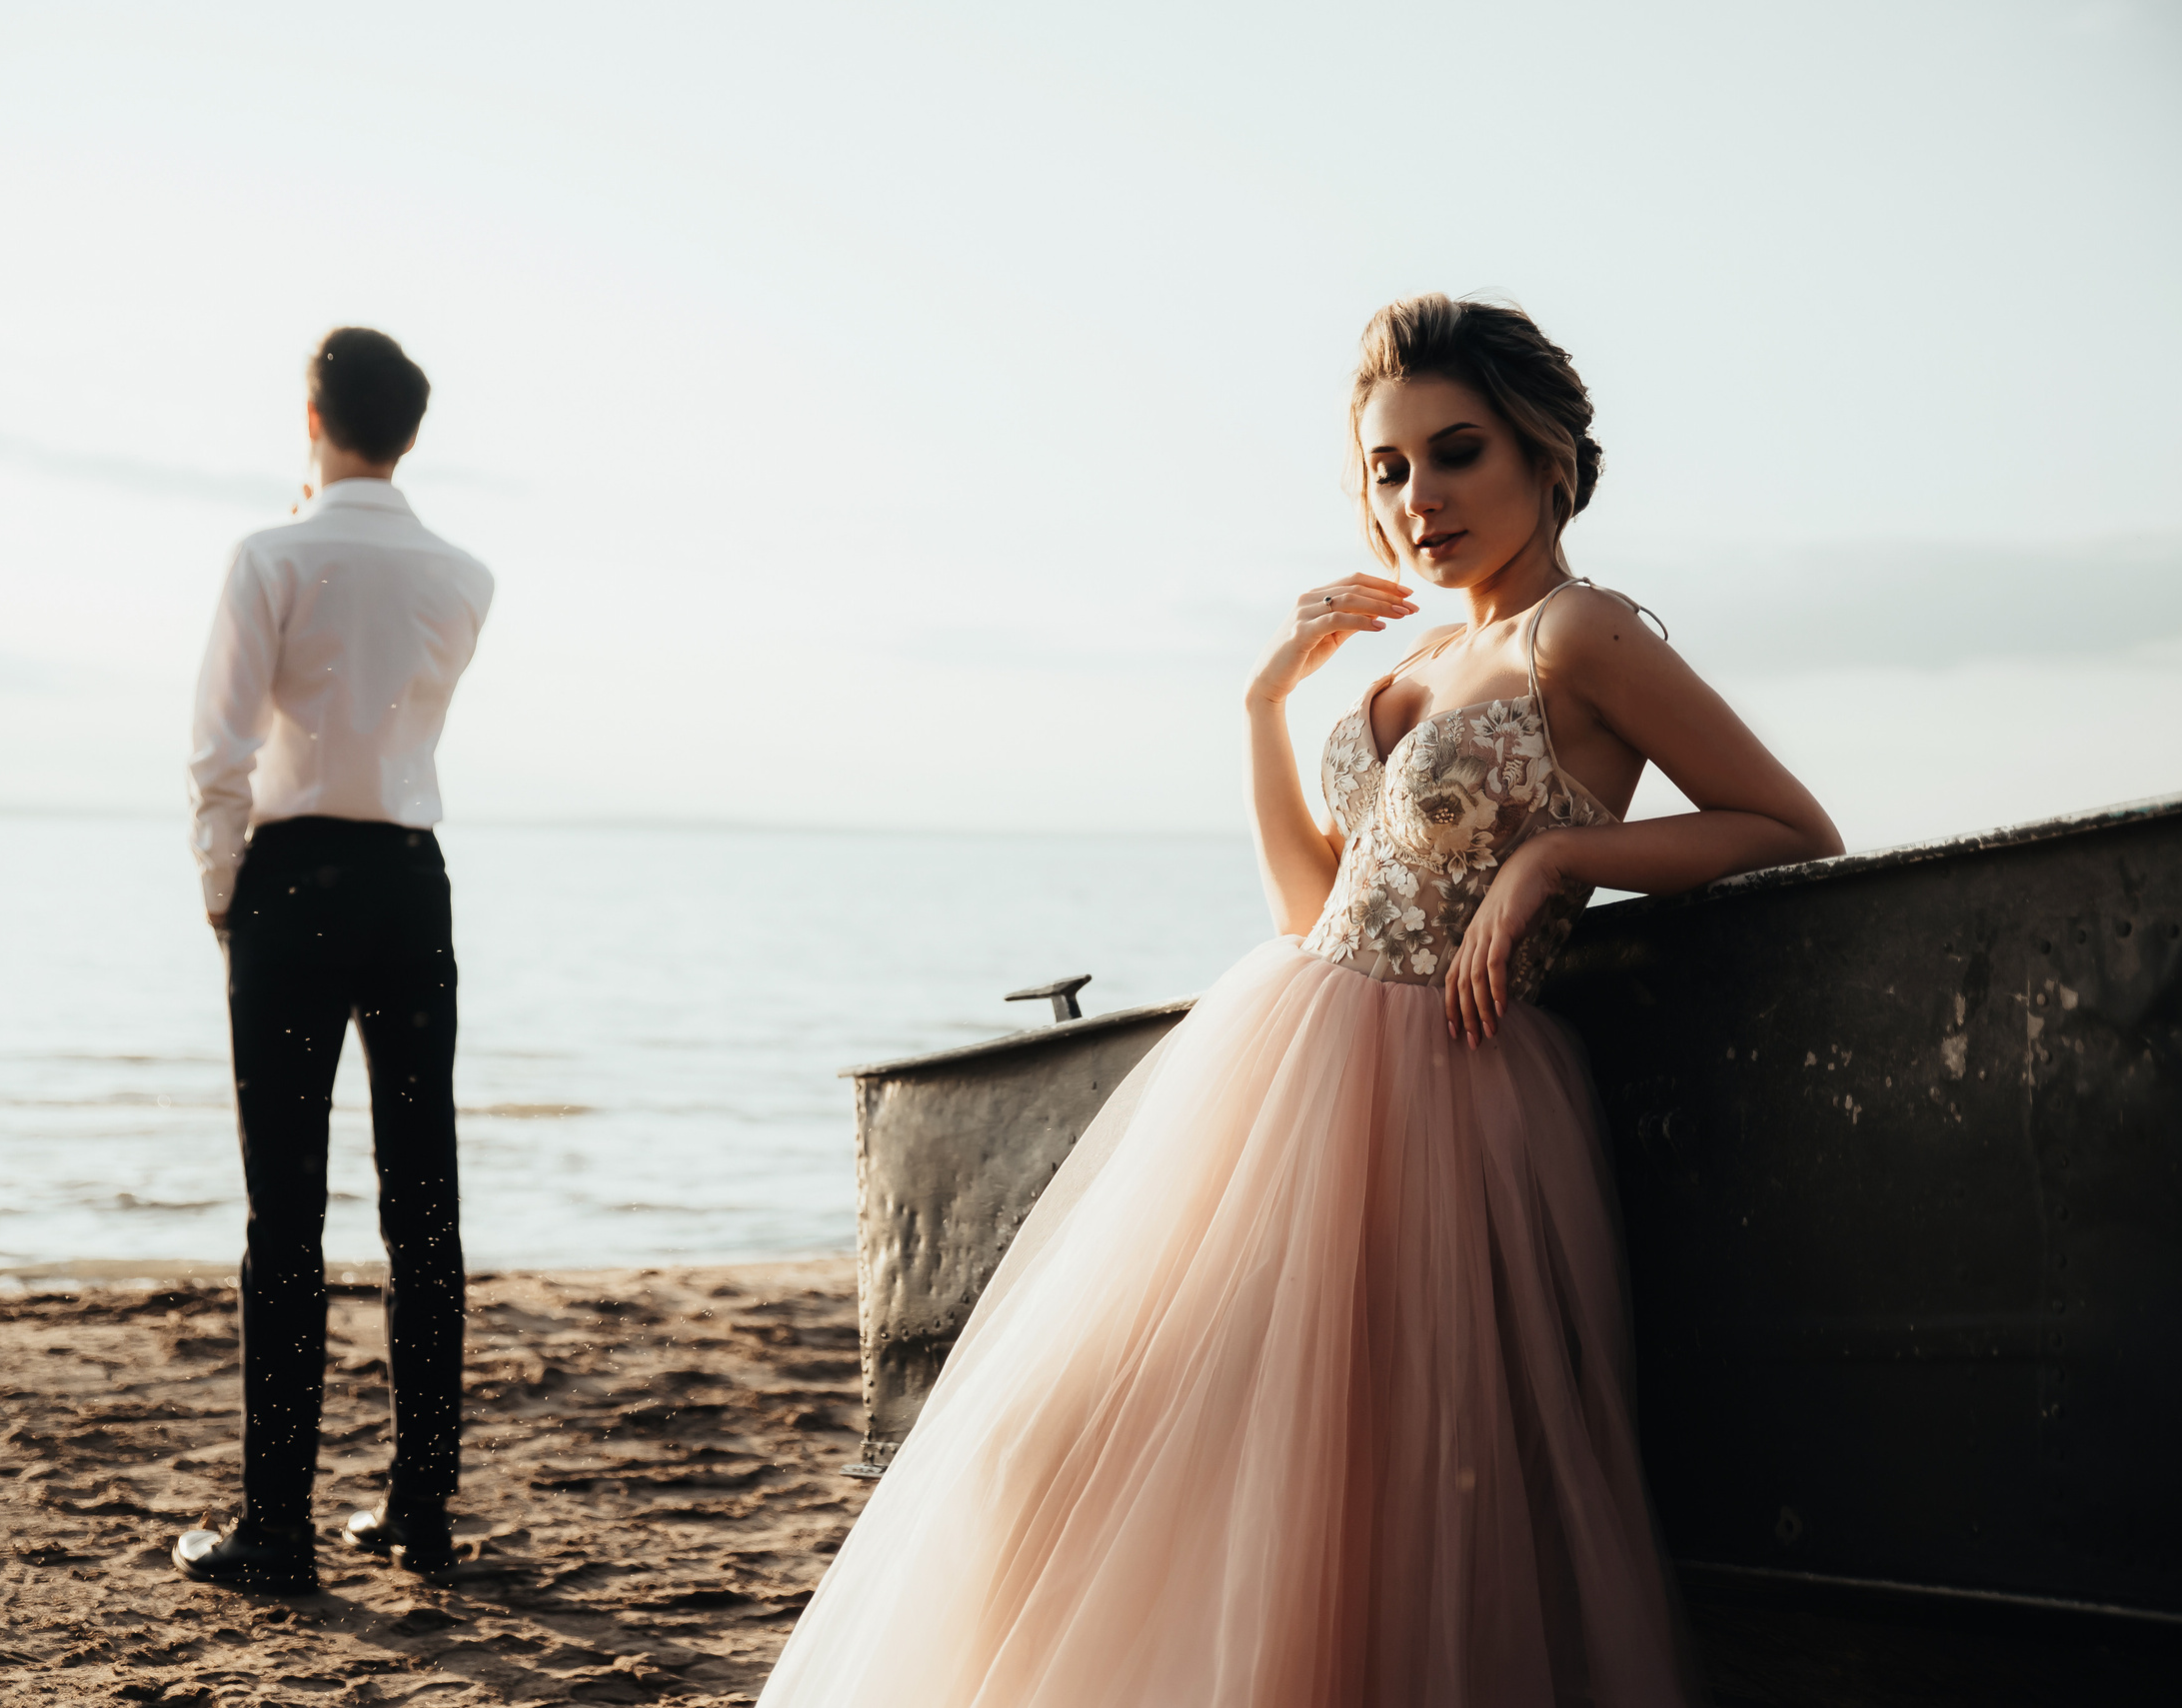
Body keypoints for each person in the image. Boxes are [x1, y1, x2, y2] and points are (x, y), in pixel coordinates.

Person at [758, 295, 1843, 1704]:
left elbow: (1786, 822)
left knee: (1363, 1495)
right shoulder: (1408, 663)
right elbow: (1304, 905)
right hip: (1282, 1063)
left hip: (1442, 1101)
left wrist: (1566, 856)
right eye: (1388, 470)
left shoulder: (1582, 635)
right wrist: (1267, 702)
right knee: (1049, 1442)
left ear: (1547, 455)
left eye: (1455, 454)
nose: (1419, 499)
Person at [170, 328, 496, 1594]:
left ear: (311, 414)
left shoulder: (272, 555)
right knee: (425, 1203)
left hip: (293, 885)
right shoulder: (464, 574)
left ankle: (278, 1525)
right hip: (412, 884)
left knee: (286, 1214)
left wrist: (222, 898)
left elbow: (220, 753)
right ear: (408, 432)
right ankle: (419, 1508)